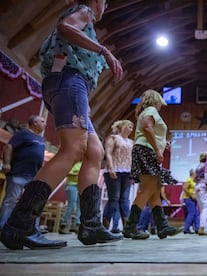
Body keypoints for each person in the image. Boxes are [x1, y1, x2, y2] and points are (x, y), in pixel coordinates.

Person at [0, 0, 123, 250]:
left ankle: (91, 226)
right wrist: (105, 52)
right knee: (73, 149)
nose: (106, 6)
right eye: (104, 1)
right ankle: (18, 226)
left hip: (74, 86)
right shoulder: (84, 12)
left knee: (94, 151)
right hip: (69, 81)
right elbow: (65, 27)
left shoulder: (88, 25)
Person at [123, 89, 182, 240]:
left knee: (155, 190)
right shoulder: (151, 110)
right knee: (148, 189)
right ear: (156, 100)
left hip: (143, 149)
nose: (162, 105)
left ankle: (162, 227)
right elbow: (147, 127)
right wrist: (157, 150)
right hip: (146, 150)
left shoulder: (146, 111)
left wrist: (162, 144)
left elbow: (149, 131)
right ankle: (130, 227)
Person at [0, 115, 46, 231]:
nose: (45, 124)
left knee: (33, 202)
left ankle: (30, 229)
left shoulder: (41, 139)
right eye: (42, 121)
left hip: (34, 176)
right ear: (34, 123)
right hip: (19, 172)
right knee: (10, 199)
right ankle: (2, 226)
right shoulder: (23, 134)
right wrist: (7, 163)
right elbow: (9, 146)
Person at [102, 120, 134, 234]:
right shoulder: (113, 138)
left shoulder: (131, 142)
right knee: (114, 199)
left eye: (132, 127)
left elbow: (131, 158)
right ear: (122, 126)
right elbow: (108, 153)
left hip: (127, 171)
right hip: (114, 170)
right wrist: (111, 168)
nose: (131, 129)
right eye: (129, 126)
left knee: (125, 199)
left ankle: (128, 228)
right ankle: (105, 226)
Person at [59, 161, 82, 234]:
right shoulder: (74, 163)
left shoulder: (84, 163)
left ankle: (77, 225)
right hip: (72, 185)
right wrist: (78, 174)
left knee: (80, 206)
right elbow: (67, 173)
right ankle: (64, 224)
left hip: (81, 186)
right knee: (71, 204)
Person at [195, 152, 207, 236]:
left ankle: (202, 226)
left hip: (197, 187)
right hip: (203, 187)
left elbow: (195, 178)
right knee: (206, 208)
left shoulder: (198, 166)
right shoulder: (206, 166)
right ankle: (203, 227)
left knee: (202, 209)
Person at [182, 169, 200, 234]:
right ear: (193, 173)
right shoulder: (189, 179)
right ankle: (186, 228)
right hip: (188, 198)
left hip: (194, 199)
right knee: (191, 213)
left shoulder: (194, 181)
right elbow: (184, 188)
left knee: (195, 214)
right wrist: (191, 195)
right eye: (196, 173)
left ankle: (198, 228)